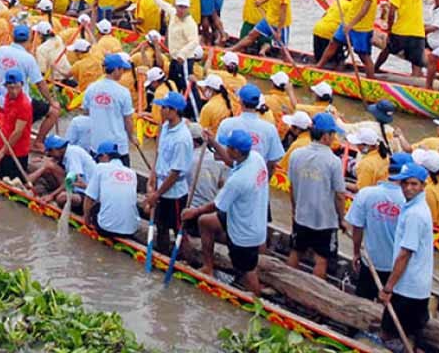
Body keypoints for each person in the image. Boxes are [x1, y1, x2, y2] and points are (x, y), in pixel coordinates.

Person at [185, 129, 268, 295]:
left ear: (236, 151)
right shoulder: (255, 158)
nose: (226, 149)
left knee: (246, 270)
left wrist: (194, 211)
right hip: (246, 216)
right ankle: (208, 266)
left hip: (244, 231)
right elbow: (230, 161)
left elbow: (217, 205)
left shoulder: (238, 181)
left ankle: (257, 298)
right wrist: (213, 142)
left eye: (228, 147)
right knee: (205, 222)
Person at [379, 164, 434, 349]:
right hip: (416, 285)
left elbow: (404, 255)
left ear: (423, 186)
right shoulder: (413, 207)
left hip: (407, 288)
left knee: (388, 333)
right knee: (410, 333)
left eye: (414, 184)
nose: (408, 188)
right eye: (405, 184)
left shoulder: (415, 215)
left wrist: (388, 288)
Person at [285, 113, 346, 280]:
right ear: (326, 136)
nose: (334, 138)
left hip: (301, 216)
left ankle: (289, 291)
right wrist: (342, 219)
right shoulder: (333, 161)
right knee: (321, 259)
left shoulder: (296, 155)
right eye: (333, 134)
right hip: (324, 221)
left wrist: (294, 209)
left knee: (296, 252)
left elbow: (291, 187)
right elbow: (340, 195)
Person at [346, 152, 410, 300]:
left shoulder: (366, 194)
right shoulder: (410, 202)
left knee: (363, 300)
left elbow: (357, 228)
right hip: (397, 268)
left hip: (370, 262)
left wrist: (356, 253)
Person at [145, 92, 193, 254]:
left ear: (173, 111)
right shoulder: (165, 127)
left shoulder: (182, 138)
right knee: (161, 225)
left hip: (174, 193)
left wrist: (157, 194)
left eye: (164, 107)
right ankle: (162, 252)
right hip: (160, 184)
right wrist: (152, 178)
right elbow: (159, 154)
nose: (160, 110)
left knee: (179, 229)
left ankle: (188, 258)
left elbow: (175, 172)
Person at [315, 0, 378, 79]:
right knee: (333, 43)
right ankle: (318, 66)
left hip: (361, 27)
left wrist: (351, 25)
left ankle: (371, 80)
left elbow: (365, 8)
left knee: (363, 55)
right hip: (348, 22)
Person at [81, 54, 138, 166]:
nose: (122, 72)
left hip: (96, 143)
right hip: (117, 146)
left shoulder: (91, 88)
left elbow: (86, 113)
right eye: (122, 69)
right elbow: (128, 120)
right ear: (116, 70)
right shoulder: (123, 92)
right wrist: (132, 137)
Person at [374, 0, 427, 77]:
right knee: (416, 62)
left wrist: (389, 29)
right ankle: (416, 84)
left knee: (387, 49)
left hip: (402, 31)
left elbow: (392, 13)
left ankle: (374, 70)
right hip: (418, 32)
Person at [83, 141, 139, 238]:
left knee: (95, 207)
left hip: (106, 229)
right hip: (132, 230)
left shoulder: (100, 167)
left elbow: (89, 198)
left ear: (104, 156)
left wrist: (86, 220)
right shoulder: (131, 172)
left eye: (99, 159)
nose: (98, 162)